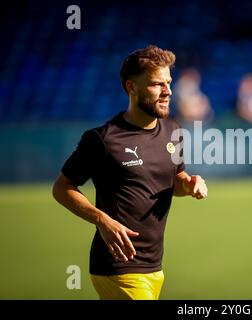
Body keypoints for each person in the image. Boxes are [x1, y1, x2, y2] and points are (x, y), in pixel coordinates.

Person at [52, 44, 208, 300]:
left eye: (169, 82)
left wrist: (189, 185)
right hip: (118, 267)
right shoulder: (102, 139)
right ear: (131, 87)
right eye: (157, 84)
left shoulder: (173, 131)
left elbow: (175, 181)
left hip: (155, 267)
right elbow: (62, 187)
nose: (168, 91)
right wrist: (101, 220)